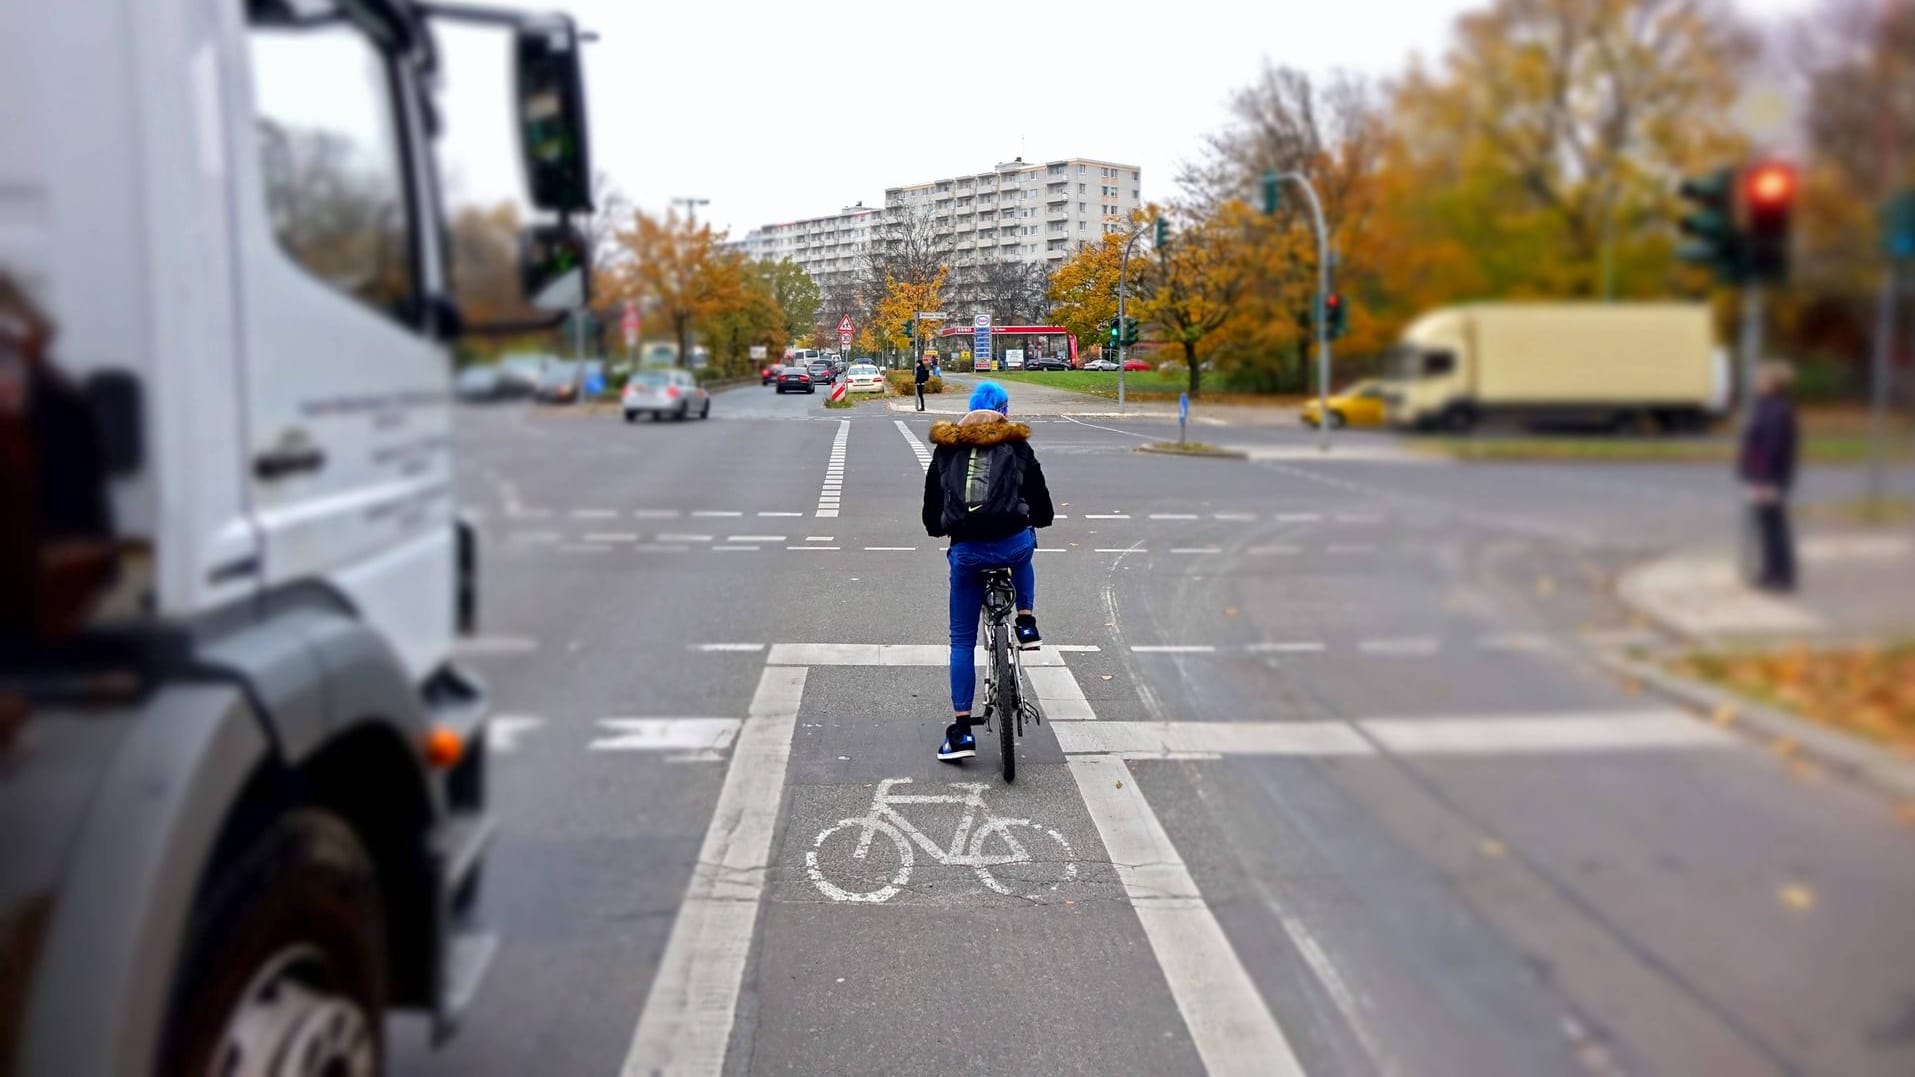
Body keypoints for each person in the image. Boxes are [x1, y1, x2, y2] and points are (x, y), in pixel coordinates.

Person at [921, 381, 1053, 762]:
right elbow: (1039, 494)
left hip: (967, 554)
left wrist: (938, 528)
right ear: (1003, 411)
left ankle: (962, 731)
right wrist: (1039, 520)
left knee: (961, 642)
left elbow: (932, 501)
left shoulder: (949, 447)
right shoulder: (1017, 445)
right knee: (1025, 544)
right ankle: (1026, 623)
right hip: (1013, 545)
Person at [1738, 361, 1799, 592]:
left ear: (1773, 384)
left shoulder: (1776, 410)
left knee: (1774, 526)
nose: (1757, 383)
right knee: (1768, 525)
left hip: (1769, 477)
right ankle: (1771, 572)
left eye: (1761, 379)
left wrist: (1762, 479)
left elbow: (1771, 447)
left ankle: (1781, 576)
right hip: (1763, 475)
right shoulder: (1767, 406)